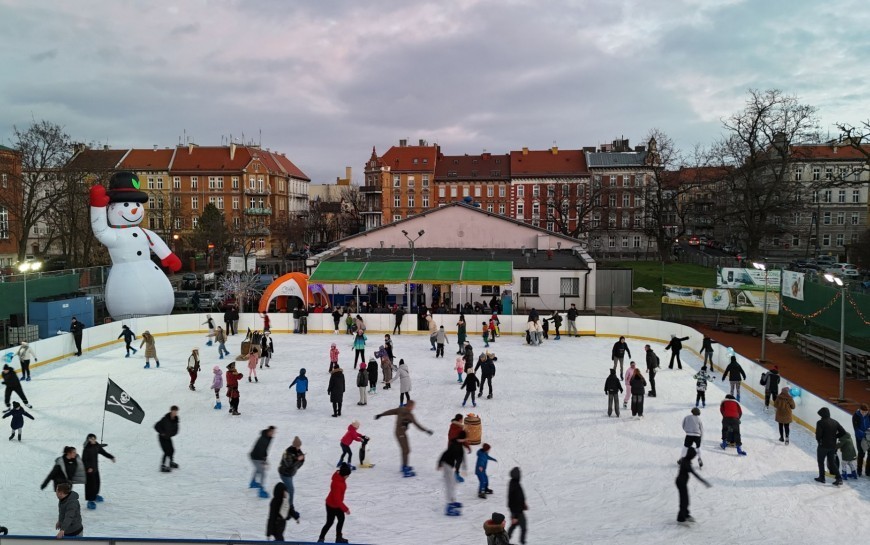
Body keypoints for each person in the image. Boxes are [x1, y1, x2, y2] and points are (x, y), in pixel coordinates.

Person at [374, 399, 434, 477]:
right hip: (400, 433)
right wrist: (381, 415)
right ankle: (405, 468)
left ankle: (404, 466)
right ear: (409, 406)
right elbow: (391, 412)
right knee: (406, 450)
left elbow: (391, 411)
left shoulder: (404, 411)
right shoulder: (406, 413)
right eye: (413, 406)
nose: (413, 408)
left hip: (401, 433)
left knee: (406, 450)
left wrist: (380, 415)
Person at [317, 463, 352, 544]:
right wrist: (345, 509)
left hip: (337, 504)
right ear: (344, 475)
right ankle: (321, 539)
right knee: (329, 522)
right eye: (347, 475)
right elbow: (337, 500)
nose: (348, 477)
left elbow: (338, 500)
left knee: (341, 519)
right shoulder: (337, 483)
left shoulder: (340, 478)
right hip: (331, 505)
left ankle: (338, 538)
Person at [675, 447, 711, 524]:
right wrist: (704, 482)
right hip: (681, 483)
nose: (694, 457)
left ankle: (685, 514)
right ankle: (680, 518)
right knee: (684, 501)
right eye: (693, 455)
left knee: (686, 500)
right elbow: (695, 474)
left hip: (682, 482)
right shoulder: (686, 463)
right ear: (690, 455)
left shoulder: (685, 460)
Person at [81, 434, 115, 510]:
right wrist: (88, 468)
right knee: (90, 486)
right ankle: (90, 501)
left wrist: (111, 457)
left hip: (95, 469)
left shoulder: (97, 446)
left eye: (94, 439)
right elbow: (84, 460)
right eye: (91, 439)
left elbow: (103, 452)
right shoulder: (86, 448)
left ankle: (95, 496)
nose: (93, 440)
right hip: (89, 471)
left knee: (97, 483)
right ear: (88, 439)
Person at [438, 430, 467, 516]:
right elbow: (445, 454)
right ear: (462, 438)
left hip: (450, 466)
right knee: (449, 485)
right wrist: (440, 463)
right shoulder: (454, 445)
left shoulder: (459, 444)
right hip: (446, 465)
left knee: (453, 483)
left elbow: (462, 456)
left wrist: (464, 467)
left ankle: (452, 500)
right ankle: (449, 506)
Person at [815, 407, 846, 485]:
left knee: (821, 461)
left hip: (823, 446)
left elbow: (818, 435)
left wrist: (819, 441)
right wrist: (835, 436)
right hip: (832, 446)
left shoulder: (820, 422)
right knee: (832, 462)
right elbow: (843, 432)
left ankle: (822, 477)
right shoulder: (835, 422)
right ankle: (839, 478)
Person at [278, 437, 305, 522]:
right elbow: (289, 465)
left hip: (290, 474)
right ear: (294, 445)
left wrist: (302, 460)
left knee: (288, 491)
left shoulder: (298, 451)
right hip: (284, 474)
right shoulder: (288, 452)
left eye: (300, 446)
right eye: (298, 446)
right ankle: (290, 508)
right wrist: (298, 459)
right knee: (291, 490)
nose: (299, 447)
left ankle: (285, 505)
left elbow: (298, 465)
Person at [250, 426, 276, 497]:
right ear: (268, 431)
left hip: (257, 456)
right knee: (263, 473)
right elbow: (261, 450)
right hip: (255, 457)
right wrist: (264, 461)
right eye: (272, 432)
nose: (273, 433)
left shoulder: (268, 438)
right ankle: (261, 491)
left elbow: (265, 449)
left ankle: (253, 483)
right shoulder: (264, 439)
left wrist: (265, 458)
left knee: (258, 469)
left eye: (274, 432)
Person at [154, 406, 180, 472]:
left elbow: (176, 430)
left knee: (172, 450)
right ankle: (162, 466)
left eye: (176, 412)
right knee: (166, 451)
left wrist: (171, 434)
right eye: (174, 411)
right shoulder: (165, 419)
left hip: (168, 437)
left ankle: (171, 463)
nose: (175, 413)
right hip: (162, 437)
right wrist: (162, 432)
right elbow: (156, 426)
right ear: (171, 411)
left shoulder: (176, 420)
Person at [507, 467, 528, 545]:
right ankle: (522, 542)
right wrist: (515, 516)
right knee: (523, 528)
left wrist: (523, 504)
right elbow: (514, 500)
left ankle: (505, 540)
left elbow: (517, 499)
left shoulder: (513, 482)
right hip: (517, 512)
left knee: (514, 526)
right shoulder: (515, 485)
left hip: (516, 510)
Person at [852, 403, 870, 475]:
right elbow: (856, 429)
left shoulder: (869, 415)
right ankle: (859, 470)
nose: (864, 414)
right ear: (860, 410)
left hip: (869, 438)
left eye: (866, 412)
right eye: (863, 412)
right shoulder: (856, 416)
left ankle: (868, 471)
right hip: (860, 438)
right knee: (861, 454)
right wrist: (864, 434)